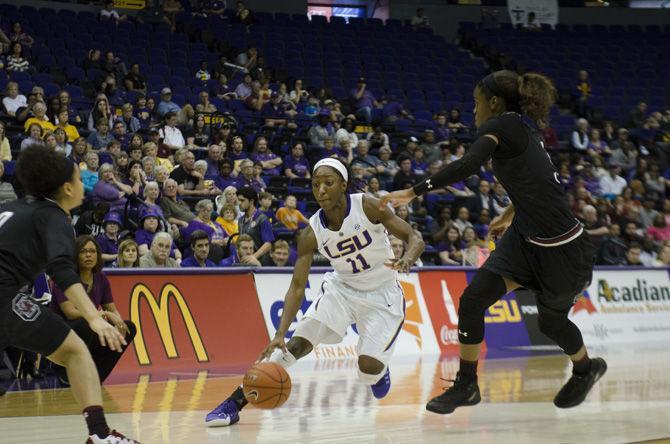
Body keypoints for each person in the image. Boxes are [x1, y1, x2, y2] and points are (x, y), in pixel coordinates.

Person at [380, 70, 606, 414]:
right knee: (472, 301)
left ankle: (586, 369)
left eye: (476, 103)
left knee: (551, 324)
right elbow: (536, 183)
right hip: (525, 238)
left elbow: (469, 164)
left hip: (564, 249)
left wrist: (413, 191)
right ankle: (467, 385)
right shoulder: (523, 128)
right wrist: (509, 213)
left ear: (494, 103)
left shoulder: (500, 126)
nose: (473, 111)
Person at [206, 157, 424, 426]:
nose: (321, 190)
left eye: (328, 183)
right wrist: (279, 334)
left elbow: (415, 238)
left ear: (343, 185)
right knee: (295, 345)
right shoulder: (312, 232)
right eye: (315, 184)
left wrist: (408, 259)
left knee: (368, 371)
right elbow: (297, 286)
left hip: (382, 293)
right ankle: (235, 402)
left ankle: (378, 371)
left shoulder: (367, 205)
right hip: (341, 291)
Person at [0, 144, 138, 442]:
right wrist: (94, 317)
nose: (82, 184)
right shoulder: (53, 216)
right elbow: (61, 269)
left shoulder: (9, 208)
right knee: (76, 351)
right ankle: (100, 434)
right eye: (78, 178)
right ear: (66, 188)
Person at [49, 235, 136, 384]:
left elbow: (112, 309)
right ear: (75, 255)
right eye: (83, 251)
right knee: (85, 322)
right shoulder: (65, 277)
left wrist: (118, 321)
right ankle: (65, 372)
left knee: (128, 328)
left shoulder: (101, 278)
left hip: (90, 327)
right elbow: (70, 312)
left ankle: (96, 376)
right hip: (63, 331)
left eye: (92, 251)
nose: (88, 255)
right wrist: (101, 314)